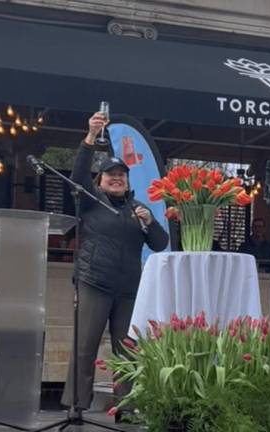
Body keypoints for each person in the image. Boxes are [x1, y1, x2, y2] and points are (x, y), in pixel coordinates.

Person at [60, 112, 169, 419]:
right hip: (94, 282)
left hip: (129, 291)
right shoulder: (91, 200)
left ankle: (128, 406)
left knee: (127, 351)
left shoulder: (138, 208)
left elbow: (160, 245)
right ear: (101, 180)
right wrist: (90, 138)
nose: (117, 178)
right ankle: (76, 406)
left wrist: (150, 223)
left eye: (121, 175)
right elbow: (79, 173)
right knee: (85, 346)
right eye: (111, 175)